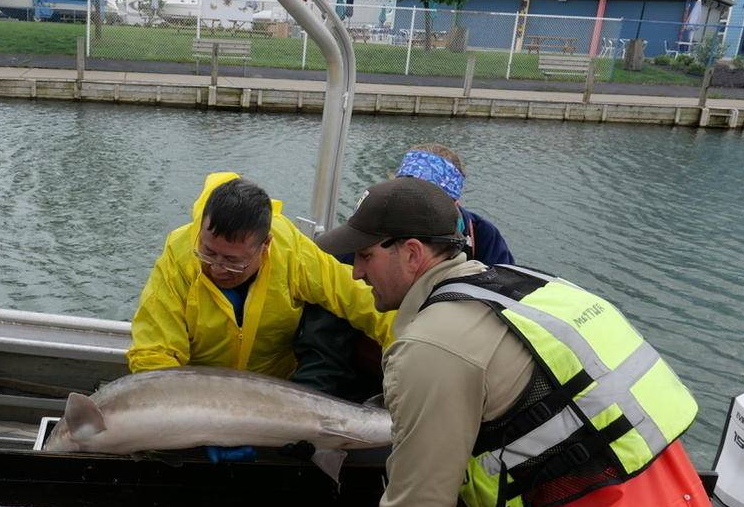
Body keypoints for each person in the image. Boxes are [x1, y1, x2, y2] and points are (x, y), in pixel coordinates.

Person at [230, 177, 732, 507]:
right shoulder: (536, 290)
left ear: (410, 253)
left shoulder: (430, 347)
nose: (355, 273)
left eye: (364, 257)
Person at [290, 143, 513, 399]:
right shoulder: (358, 242)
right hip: (364, 386)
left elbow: (502, 316)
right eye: (402, 197)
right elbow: (324, 350)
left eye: (426, 203)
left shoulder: (485, 238)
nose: (358, 272)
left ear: (453, 203)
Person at [127, 170, 393, 380]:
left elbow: (361, 300)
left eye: (233, 261)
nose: (217, 267)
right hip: (199, 393)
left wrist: (413, 351)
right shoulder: (178, 252)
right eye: (208, 253)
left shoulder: (290, 250)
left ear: (265, 245)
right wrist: (186, 420)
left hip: (273, 391)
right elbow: (154, 352)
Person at [395, 143, 513, 265]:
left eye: (429, 200)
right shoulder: (379, 224)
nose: (413, 207)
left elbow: (506, 280)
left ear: (454, 201)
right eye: (405, 194)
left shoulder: (483, 235)